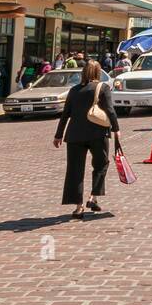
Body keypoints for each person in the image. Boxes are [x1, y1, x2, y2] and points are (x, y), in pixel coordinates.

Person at [53, 60, 120, 218]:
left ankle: (78, 207)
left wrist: (58, 134)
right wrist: (116, 129)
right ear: (98, 72)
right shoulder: (102, 88)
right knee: (101, 164)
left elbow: (65, 114)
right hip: (98, 133)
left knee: (75, 171)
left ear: (83, 73)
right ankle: (93, 196)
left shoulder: (74, 90)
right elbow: (110, 110)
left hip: (75, 134)